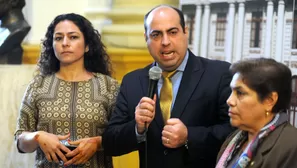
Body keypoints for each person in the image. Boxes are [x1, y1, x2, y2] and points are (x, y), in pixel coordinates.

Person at [103, 5, 234, 168]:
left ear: (186, 32)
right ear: (146, 38)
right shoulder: (132, 81)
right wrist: (137, 128)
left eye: (172, 32)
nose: (165, 42)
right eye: (156, 35)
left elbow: (234, 133)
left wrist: (189, 136)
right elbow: (110, 143)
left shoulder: (219, 74)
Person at [14, 13, 119, 168]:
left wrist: (97, 143)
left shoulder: (108, 86)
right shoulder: (38, 86)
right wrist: (37, 136)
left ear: (87, 45)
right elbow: (20, 141)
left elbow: (123, 136)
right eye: (58, 38)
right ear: (52, 45)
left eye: (73, 37)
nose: (65, 43)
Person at [216, 58, 297, 168]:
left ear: (270, 100)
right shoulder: (234, 139)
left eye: (240, 93)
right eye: (232, 92)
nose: (229, 101)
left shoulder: (291, 146)